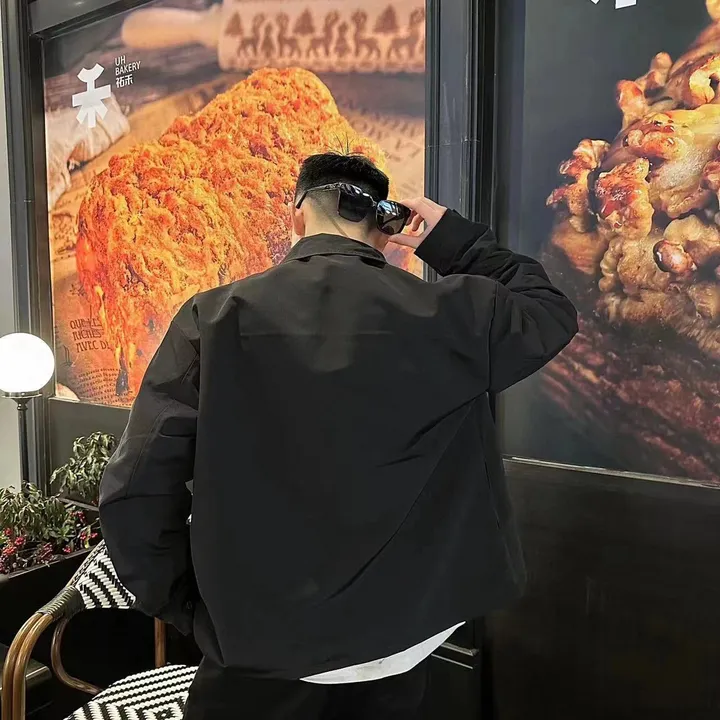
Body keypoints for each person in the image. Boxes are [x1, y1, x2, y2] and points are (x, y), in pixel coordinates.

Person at [99, 153, 578, 719]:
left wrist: (191, 609)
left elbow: (136, 490)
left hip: (263, 640)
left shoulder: (215, 318)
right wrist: (454, 239)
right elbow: (548, 308)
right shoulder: (454, 313)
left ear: (296, 214)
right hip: (405, 634)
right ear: (386, 227)